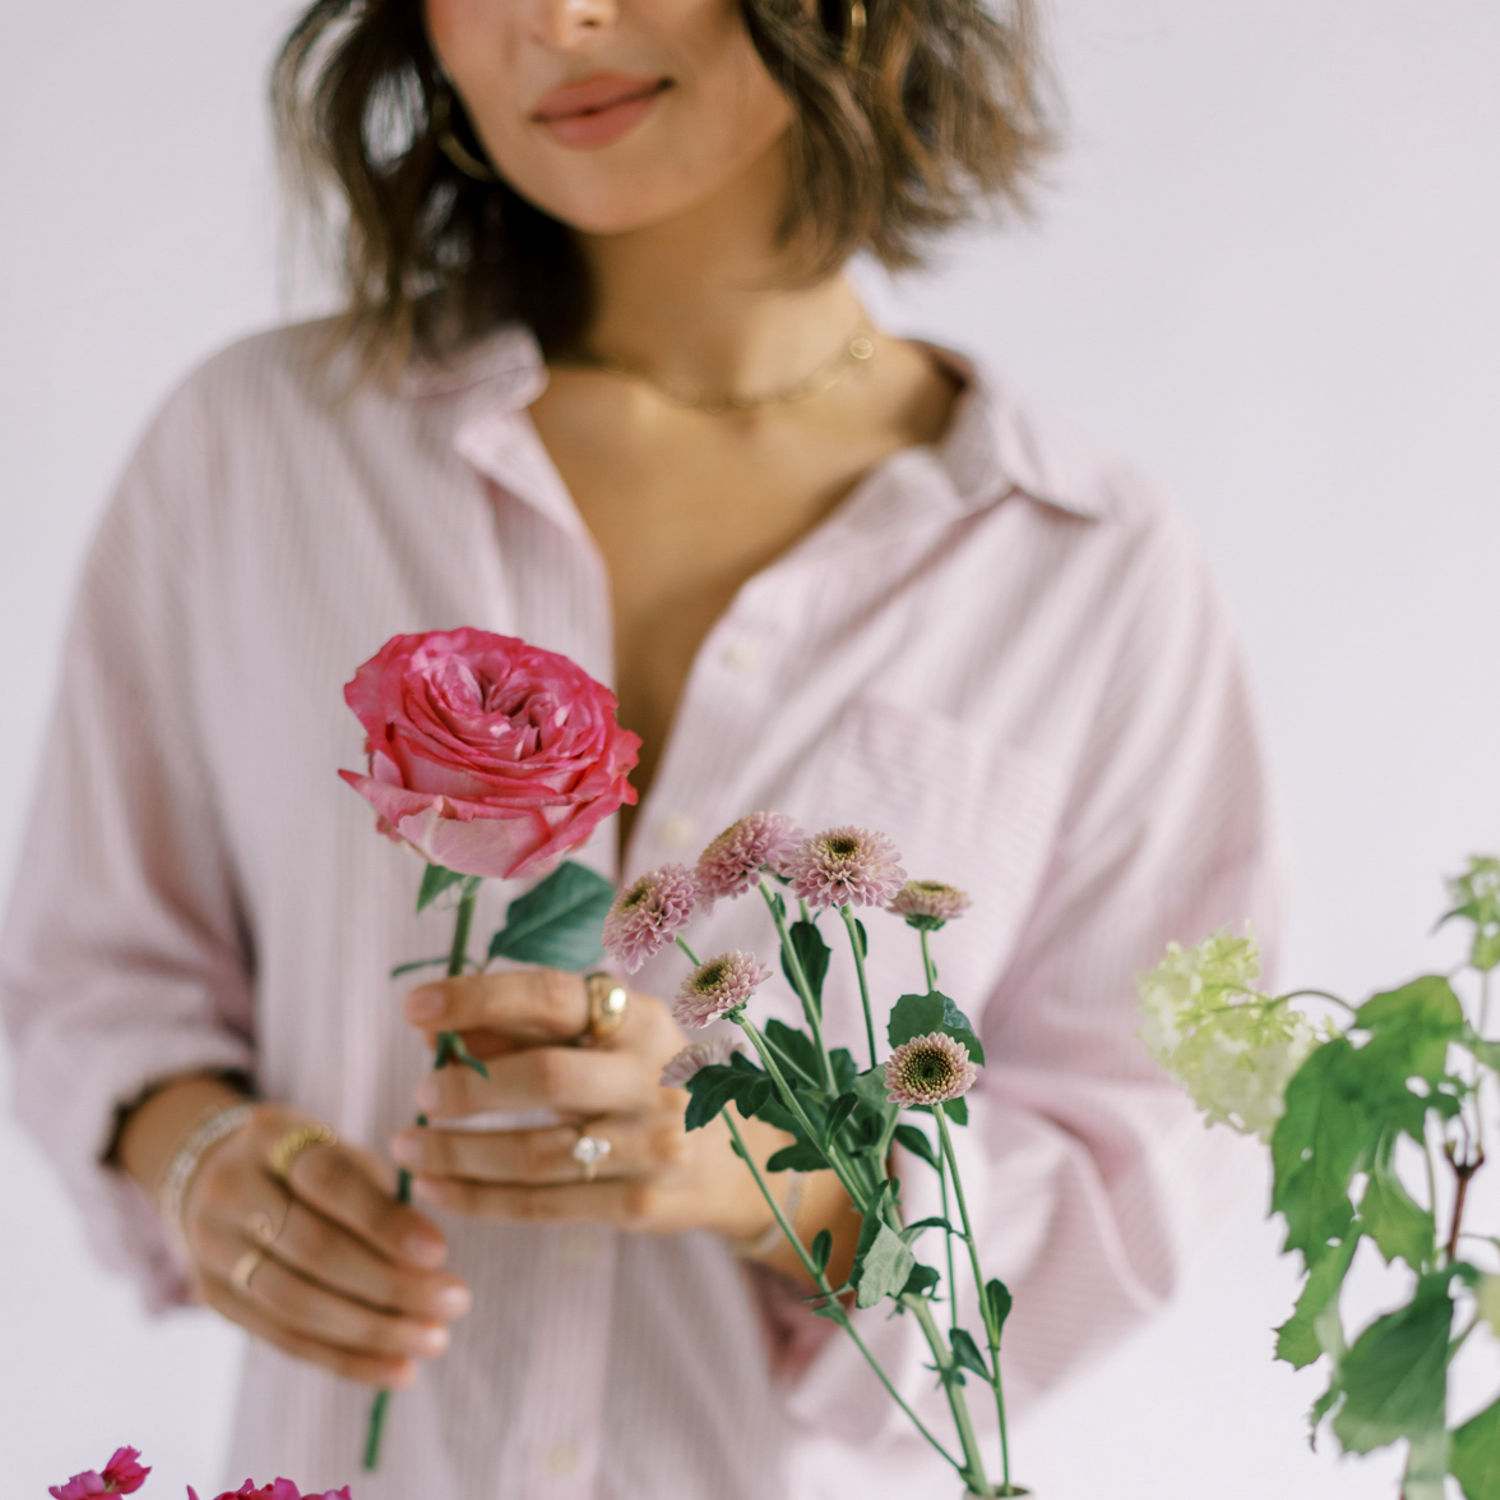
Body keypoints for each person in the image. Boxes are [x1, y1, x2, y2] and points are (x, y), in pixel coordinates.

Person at [0, 0, 1284, 1496]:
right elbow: (93, 972)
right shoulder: (260, 449)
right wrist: (197, 1161)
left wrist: (781, 1177)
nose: (559, 19)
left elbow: (1153, 1158)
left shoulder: (1080, 567)